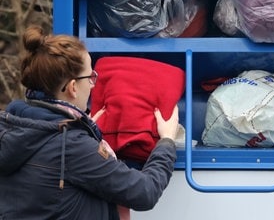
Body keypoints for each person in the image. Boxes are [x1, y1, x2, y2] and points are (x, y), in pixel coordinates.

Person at [0, 25, 179, 220]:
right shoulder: (72, 146)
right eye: (91, 76)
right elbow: (144, 192)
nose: (94, 83)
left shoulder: (12, 125)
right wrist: (167, 142)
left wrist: (83, 129)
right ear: (73, 87)